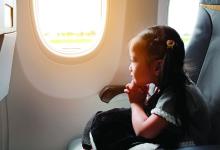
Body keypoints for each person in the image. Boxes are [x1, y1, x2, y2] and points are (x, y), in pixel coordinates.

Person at [81, 25, 210, 150]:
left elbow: (143, 132)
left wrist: (136, 103)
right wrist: (143, 100)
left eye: (134, 60)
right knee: (102, 119)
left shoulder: (176, 94)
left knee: (112, 132)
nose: (130, 67)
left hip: (186, 145)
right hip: (163, 133)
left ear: (157, 67)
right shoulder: (162, 83)